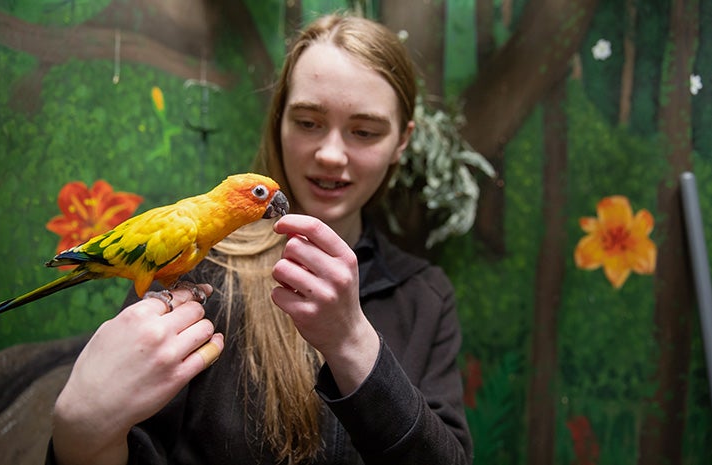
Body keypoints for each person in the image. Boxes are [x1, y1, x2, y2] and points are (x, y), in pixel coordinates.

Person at [48, 13, 473, 465]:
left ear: (402, 142)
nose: (330, 154)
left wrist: (351, 341)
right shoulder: (193, 270)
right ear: (279, 122)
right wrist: (81, 433)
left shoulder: (427, 297)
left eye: (364, 131)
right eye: (308, 122)